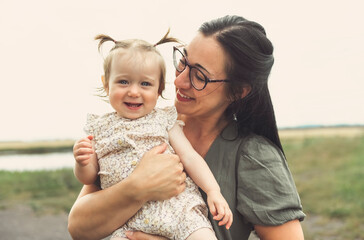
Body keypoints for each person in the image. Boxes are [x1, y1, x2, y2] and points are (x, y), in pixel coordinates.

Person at [68, 15, 305, 240]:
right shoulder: (139, 127)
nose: (179, 80)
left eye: (199, 76)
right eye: (183, 62)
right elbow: (78, 226)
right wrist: (137, 187)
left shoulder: (256, 157)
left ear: (238, 91)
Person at [72, 30, 232, 240]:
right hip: (125, 217)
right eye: (123, 82)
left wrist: (213, 191)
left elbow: (190, 157)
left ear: (159, 89)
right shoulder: (99, 128)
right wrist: (82, 162)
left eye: (145, 84)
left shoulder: (164, 121)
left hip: (176, 208)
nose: (134, 92)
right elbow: (90, 178)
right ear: (106, 83)